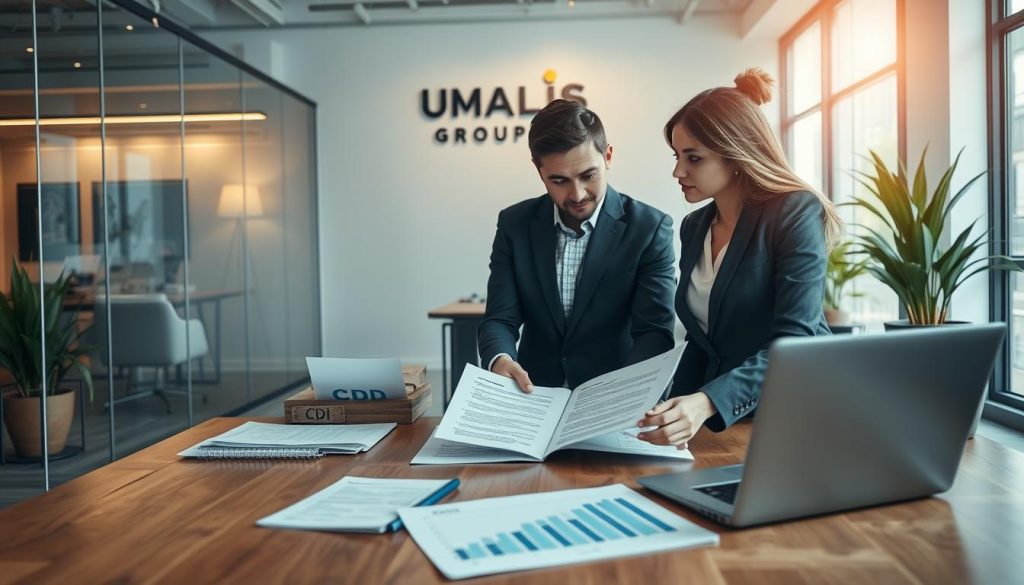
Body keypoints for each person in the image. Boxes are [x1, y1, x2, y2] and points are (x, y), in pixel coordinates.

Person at [638, 68, 842, 448]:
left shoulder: (795, 212)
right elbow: (704, 343)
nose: (677, 171)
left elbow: (794, 341)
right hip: (727, 422)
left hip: (796, 417)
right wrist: (667, 411)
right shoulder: (694, 227)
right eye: (677, 156)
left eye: (693, 158)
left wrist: (705, 403)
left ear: (736, 154)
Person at [478, 99, 676, 392]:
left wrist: (630, 393)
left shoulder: (649, 228)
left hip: (613, 397)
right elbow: (500, 317)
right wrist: (500, 359)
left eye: (588, 175)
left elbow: (654, 332)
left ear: (608, 156)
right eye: (559, 180)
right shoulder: (514, 224)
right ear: (539, 170)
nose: (577, 193)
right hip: (535, 394)